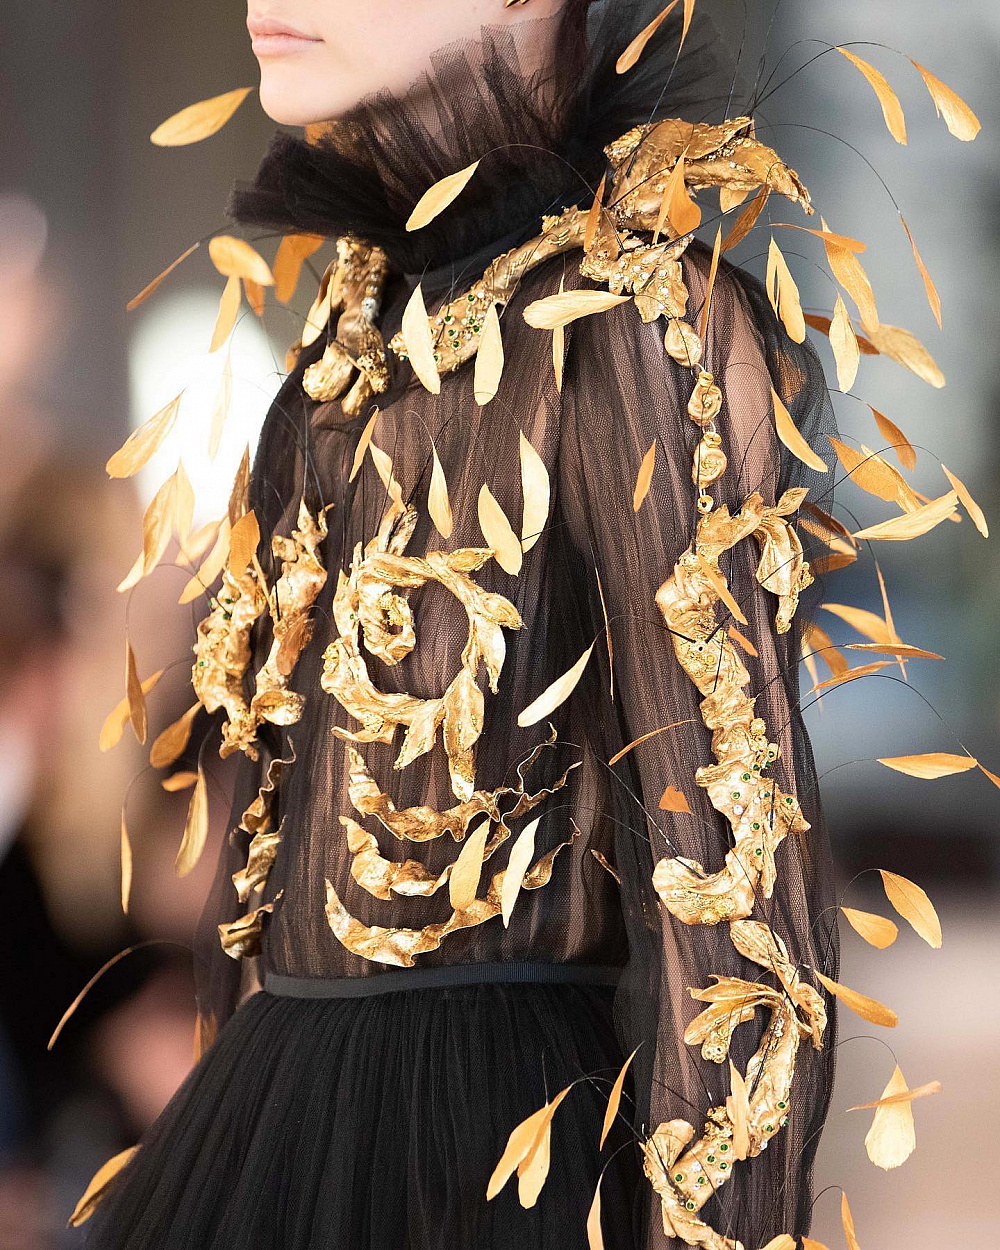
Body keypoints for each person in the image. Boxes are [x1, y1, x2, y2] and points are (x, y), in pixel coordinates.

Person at [77, 2, 982, 1248]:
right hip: (271, 1140)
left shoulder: (637, 330)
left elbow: (735, 923)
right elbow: (264, 879)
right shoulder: (344, 355)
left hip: (504, 1170)